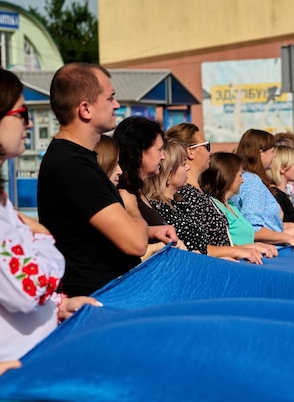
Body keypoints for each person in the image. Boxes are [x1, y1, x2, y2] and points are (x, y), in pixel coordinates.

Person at [0, 66, 100, 368]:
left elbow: (9, 281)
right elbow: (25, 289)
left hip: (27, 357)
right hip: (4, 371)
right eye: (22, 113)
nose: (28, 124)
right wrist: (45, 239)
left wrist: (58, 305)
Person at [38, 63, 171, 297]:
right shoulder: (73, 165)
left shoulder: (79, 159)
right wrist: (130, 207)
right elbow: (135, 243)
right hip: (98, 302)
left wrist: (149, 231)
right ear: (85, 109)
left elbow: (91, 232)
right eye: (110, 98)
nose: (117, 105)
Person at [166, 123, 277, 260]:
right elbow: (199, 247)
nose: (210, 152)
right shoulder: (185, 194)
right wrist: (238, 251)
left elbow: (218, 242)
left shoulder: (198, 191)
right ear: (191, 151)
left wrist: (245, 248)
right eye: (206, 146)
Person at [113, 116, 179, 260]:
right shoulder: (125, 194)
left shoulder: (137, 191)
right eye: (159, 150)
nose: (163, 156)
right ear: (140, 152)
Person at [233, 129, 294, 250]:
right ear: (260, 152)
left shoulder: (248, 178)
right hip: (267, 252)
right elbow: (255, 229)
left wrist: (291, 228)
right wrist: (287, 238)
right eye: (272, 151)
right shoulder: (251, 181)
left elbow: (269, 224)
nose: (274, 156)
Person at [200, 153, 263, 260]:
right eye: (240, 175)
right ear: (228, 176)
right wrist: (248, 248)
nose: (242, 180)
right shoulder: (214, 207)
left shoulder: (231, 206)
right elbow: (220, 244)